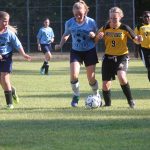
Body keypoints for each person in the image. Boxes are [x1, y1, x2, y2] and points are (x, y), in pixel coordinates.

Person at [55, 0, 101, 107]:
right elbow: (66, 34)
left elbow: (97, 37)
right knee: (74, 75)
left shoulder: (91, 22)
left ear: (85, 11)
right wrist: (60, 45)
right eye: (76, 14)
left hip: (90, 51)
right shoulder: (69, 22)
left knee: (91, 78)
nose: (78, 16)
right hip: (76, 52)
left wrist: (94, 35)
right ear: (73, 13)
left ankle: (97, 94)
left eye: (80, 14)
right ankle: (76, 95)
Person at [95, 7, 143, 108]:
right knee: (105, 84)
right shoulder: (105, 27)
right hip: (108, 57)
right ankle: (107, 105)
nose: (113, 20)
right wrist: (97, 36)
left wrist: (139, 39)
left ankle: (130, 101)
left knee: (121, 76)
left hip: (122, 56)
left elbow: (136, 40)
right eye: (111, 18)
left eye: (115, 18)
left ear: (120, 17)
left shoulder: (125, 28)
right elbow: (95, 38)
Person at [0, 11, 31, 109]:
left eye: (7, 21)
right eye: (4, 21)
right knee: (2, 81)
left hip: (6, 57)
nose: (6, 24)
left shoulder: (9, 33)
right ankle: (12, 91)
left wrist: (23, 54)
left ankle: (10, 104)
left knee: (4, 78)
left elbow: (18, 44)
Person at [134, 11, 150, 81]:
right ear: (142, 18)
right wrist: (136, 51)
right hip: (144, 50)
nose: (147, 18)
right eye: (145, 16)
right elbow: (135, 39)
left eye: (148, 16)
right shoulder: (139, 26)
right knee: (149, 68)